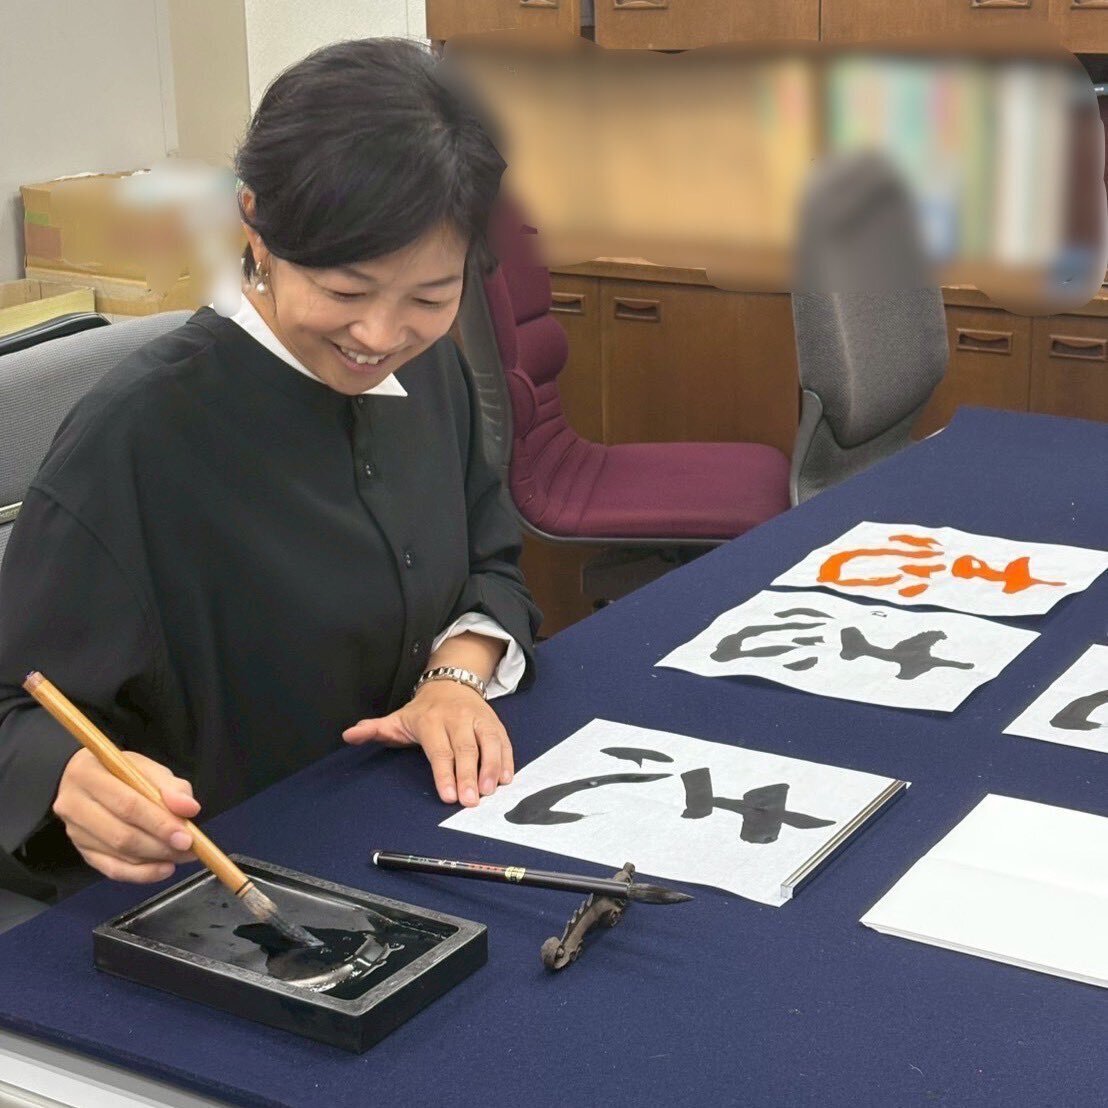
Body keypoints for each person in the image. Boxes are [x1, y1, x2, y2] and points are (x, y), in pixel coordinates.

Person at [0, 38, 541, 901]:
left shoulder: (430, 369)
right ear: (254, 221)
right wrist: (72, 778)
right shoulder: (138, 438)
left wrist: (453, 681)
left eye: (431, 297)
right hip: (223, 890)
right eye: (346, 291)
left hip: (410, 839)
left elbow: (491, 562)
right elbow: (14, 709)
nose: (381, 336)